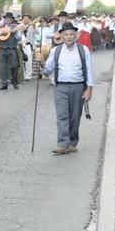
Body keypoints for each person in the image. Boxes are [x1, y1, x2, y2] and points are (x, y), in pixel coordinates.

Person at [41, 22, 94, 155]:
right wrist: (41, 62)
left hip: (78, 86)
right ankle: (62, 144)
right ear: (61, 36)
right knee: (62, 115)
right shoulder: (56, 50)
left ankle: (72, 142)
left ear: (75, 35)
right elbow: (48, 70)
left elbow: (89, 70)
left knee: (75, 116)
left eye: (71, 34)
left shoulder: (83, 50)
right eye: (66, 34)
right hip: (61, 87)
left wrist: (89, 90)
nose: (69, 37)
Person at [0, 12, 23, 90]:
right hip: (2, 49)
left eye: (9, 18)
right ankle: (4, 84)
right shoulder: (0, 27)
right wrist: (1, 32)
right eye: (6, 18)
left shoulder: (15, 27)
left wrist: (16, 32)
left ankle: (14, 82)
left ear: (12, 20)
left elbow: (19, 38)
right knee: (2, 67)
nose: (7, 20)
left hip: (12, 49)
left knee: (14, 66)